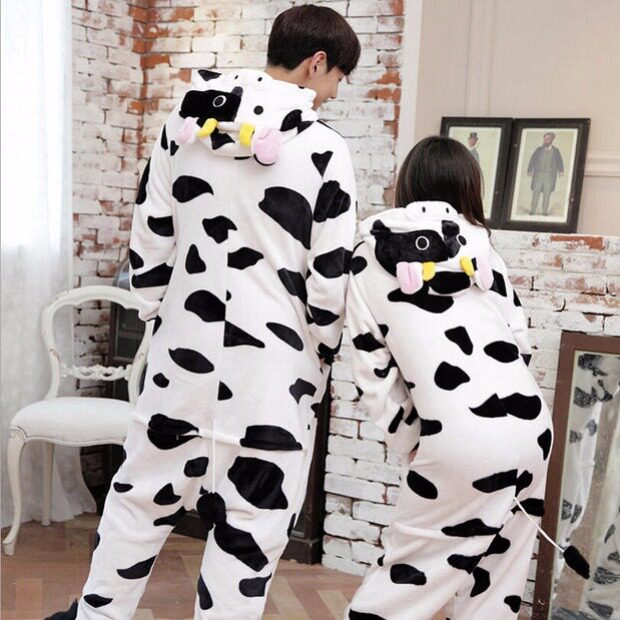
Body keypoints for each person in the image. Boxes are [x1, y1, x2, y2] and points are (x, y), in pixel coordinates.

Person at [45, 5, 359, 619]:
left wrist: (159, 317)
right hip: (271, 377)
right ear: (317, 62)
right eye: (337, 77)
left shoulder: (183, 124)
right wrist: (319, 355)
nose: (334, 92)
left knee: (136, 507)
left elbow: (149, 239)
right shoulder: (325, 148)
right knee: (250, 529)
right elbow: (329, 279)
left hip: (180, 364)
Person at [344, 137, 587, 620]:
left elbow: (373, 369)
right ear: (468, 189)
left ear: (407, 183)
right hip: (530, 430)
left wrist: (412, 444)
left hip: (462, 435)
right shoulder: (480, 247)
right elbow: (518, 341)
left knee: (406, 578)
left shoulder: (368, 252)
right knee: (496, 581)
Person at [528, 131, 564, 216]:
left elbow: (559, 161)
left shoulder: (556, 151)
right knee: (535, 194)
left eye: (547, 139)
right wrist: (530, 170)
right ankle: (532, 211)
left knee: (547, 195)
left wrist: (561, 171)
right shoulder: (538, 150)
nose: (545, 140)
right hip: (538, 176)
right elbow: (532, 159)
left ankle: (544, 212)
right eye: (544, 139)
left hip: (549, 177)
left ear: (552, 140)